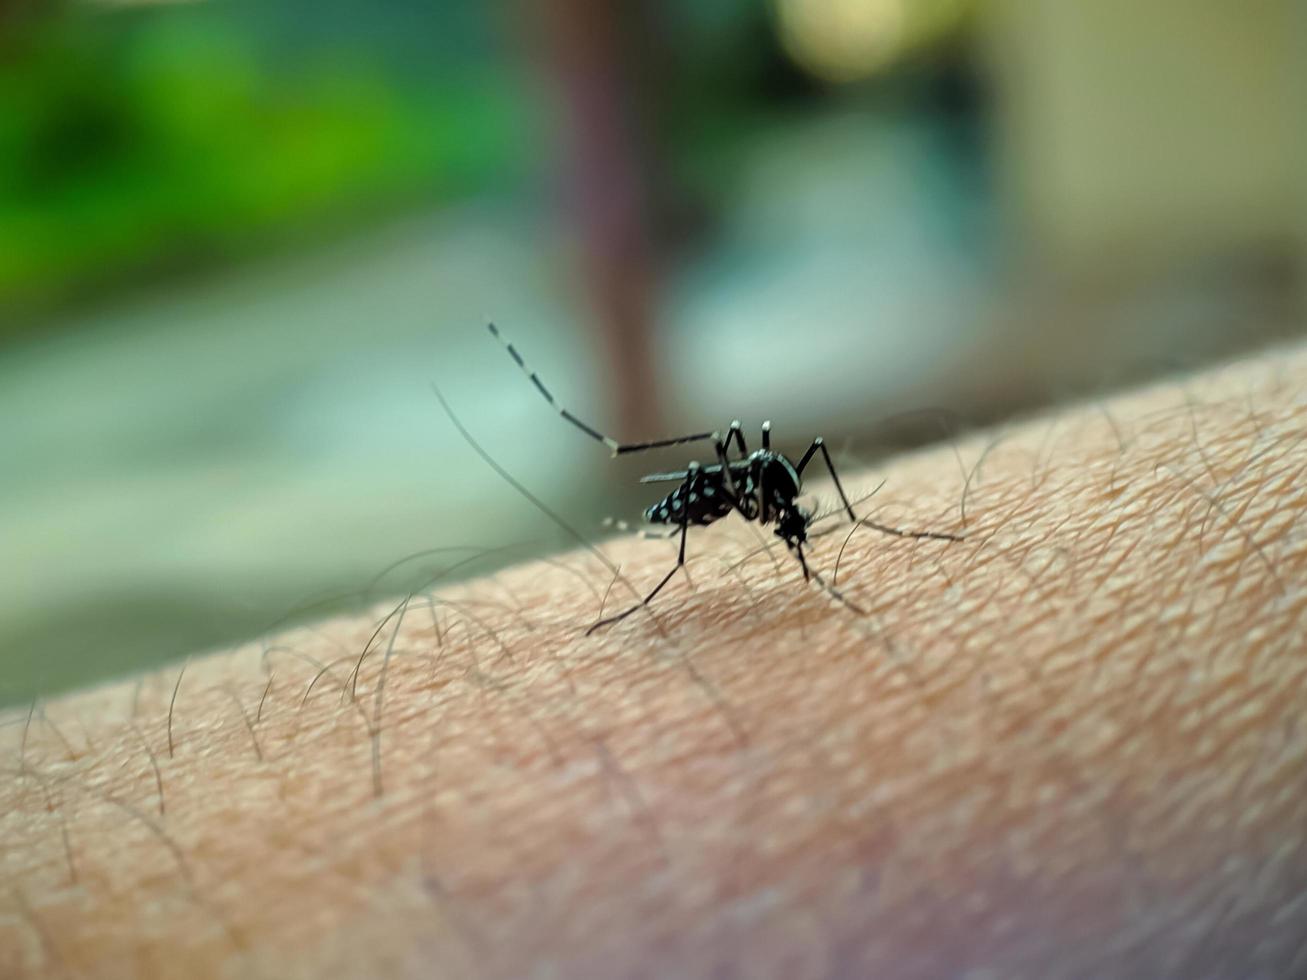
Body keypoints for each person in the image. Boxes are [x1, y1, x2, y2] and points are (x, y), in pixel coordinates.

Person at [4, 343, 1305, 978]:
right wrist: (712, 537)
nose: (786, 512)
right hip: (676, 499)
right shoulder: (733, 491)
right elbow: (753, 483)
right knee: (743, 458)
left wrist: (825, 526)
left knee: (778, 449)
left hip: (709, 491)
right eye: (789, 511)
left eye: (789, 511)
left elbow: (785, 483)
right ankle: (633, 476)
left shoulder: (776, 484)